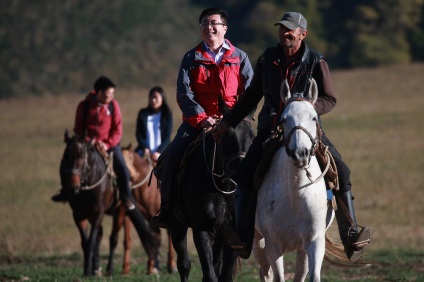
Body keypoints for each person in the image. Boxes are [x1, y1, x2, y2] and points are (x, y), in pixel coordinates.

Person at [212, 12, 370, 260]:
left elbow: (330, 98)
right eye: (282, 29)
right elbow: (252, 96)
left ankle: (350, 234)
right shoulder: (267, 59)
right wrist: (228, 122)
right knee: (244, 173)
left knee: (342, 170)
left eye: (290, 30)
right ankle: (243, 236)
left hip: (306, 130)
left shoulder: (316, 61)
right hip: (270, 129)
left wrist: (306, 108)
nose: (285, 33)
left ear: (302, 34)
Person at [149, 8, 254, 229]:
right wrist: (203, 119)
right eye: (204, 23)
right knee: (170, 157)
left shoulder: (240, 57)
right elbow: (184, 94)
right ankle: (167, 208)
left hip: (233, 123)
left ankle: (257, 209)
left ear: (225, 28)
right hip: (197, 123)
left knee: (257, 154)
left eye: (214, 23)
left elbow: (251, 92)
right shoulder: (191, 58)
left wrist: (234, 118)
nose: (209, 27)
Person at [51, 76, 135, 210]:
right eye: (109, 94)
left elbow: (118, 130)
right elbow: (78, 129)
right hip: (87, 145)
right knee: (67, 163)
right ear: (99, 93)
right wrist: (90, 141)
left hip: (110, 145)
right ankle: (65, 192)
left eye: (113, 94)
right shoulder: (84, 106)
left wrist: (107, 144)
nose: (111, 97)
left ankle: (126, 197)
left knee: (122, 168)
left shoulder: (113, 106)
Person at [135, 86, 173, 162]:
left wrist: (159, 152)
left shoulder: (167, 115)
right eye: (151, 97)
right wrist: (145, 148)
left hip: (162, 151)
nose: (153, 100)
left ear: (162, 98)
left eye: (156, 98)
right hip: (145, 152)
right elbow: (139, 134)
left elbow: (167, 136)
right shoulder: (143, 114)